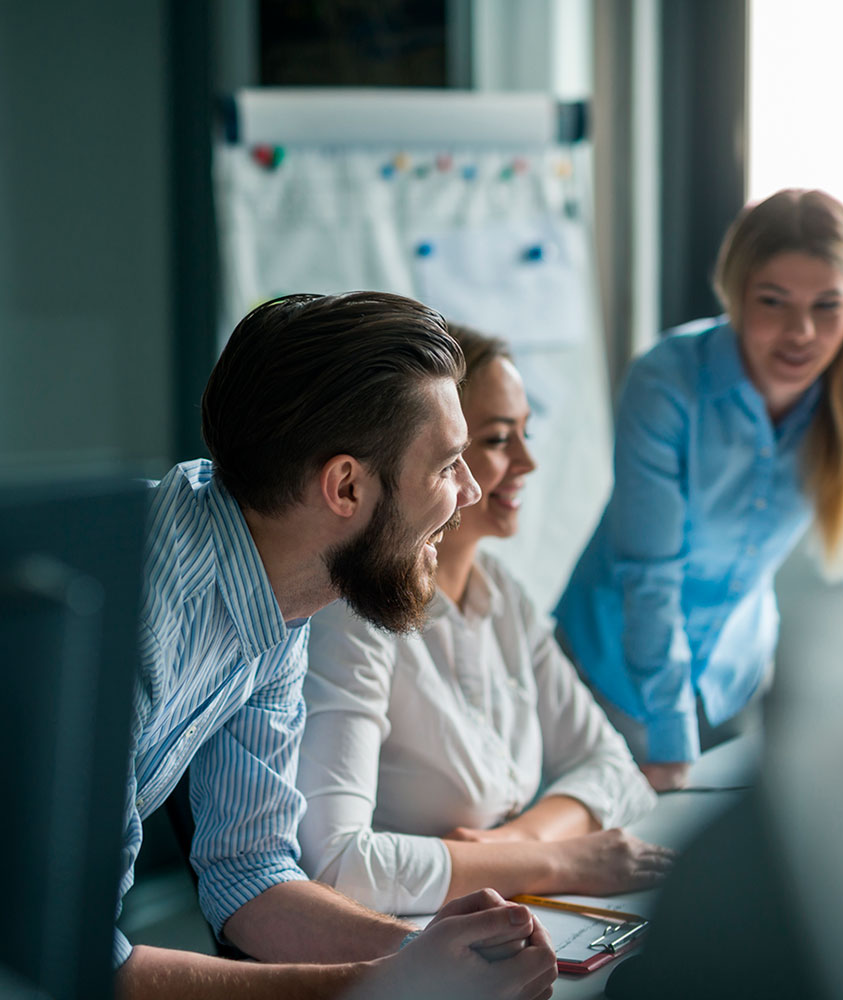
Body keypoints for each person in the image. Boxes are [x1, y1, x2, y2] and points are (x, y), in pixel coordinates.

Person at [116, 292, 558, 1000]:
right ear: (346, 485)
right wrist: (384, 986)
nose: (471, 490)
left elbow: (250, 874)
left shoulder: (281, 593)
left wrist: (437, 954)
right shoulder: (134, 609)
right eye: (447, 464)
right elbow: (91, 965)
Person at [297, 324, 673, 917]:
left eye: (526, 432)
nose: (527, 461)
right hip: (403, 938)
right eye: (498, 439)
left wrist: (511, 845)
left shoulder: (501, 594)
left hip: (506, 907)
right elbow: (338, 870)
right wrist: (561, 859)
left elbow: (613, 768)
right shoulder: (353, 614)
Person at [554, 188, 843, 792]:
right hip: (609, 676)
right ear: (736, 293)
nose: (801, 333)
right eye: (774, 302)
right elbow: (651, 575)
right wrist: (670, 742)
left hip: (734, 677)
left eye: (828, 306)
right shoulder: (667, 381)